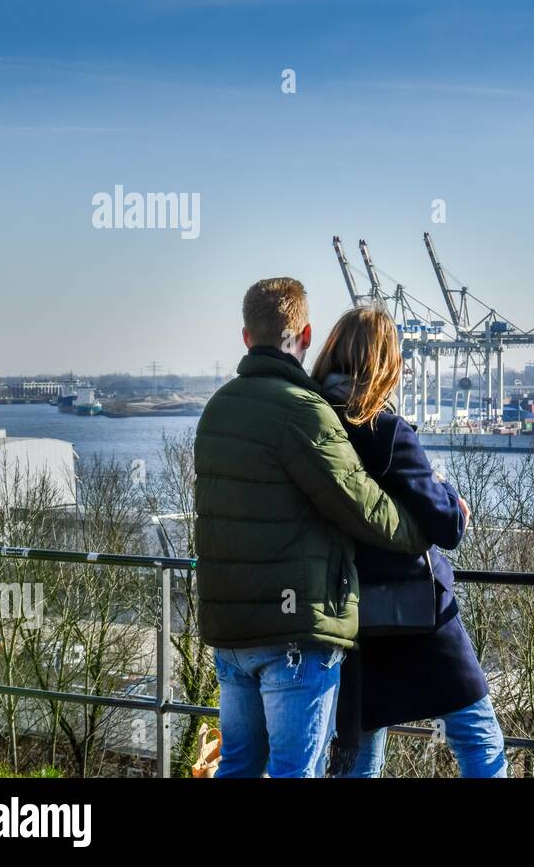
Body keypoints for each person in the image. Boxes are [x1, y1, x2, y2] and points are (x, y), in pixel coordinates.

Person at [195, 278, 428, 778]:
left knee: (237, 765)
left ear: (245, 337)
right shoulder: (304, 411)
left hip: (231, 632)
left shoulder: (217, 409)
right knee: (294, 770)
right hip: (296, 632)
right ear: (304, 334)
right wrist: (423, 529)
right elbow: (363, 506)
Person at [312, 305, 507, 778]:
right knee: (480, 740)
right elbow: (447, 526)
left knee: (359, 753)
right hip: (419, 618)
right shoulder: (386, 431)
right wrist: (450, 494)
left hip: (349, 617)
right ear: (384, 364)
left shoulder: (315, 426)